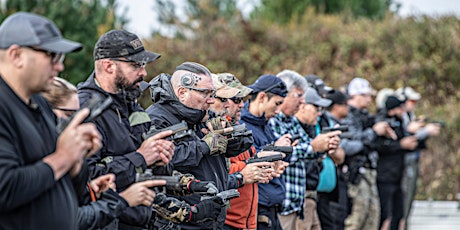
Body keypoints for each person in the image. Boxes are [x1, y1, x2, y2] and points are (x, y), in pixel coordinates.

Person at [78, 29, 196, 229]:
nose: (144, 73)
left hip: (144, 220)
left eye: (143, 65)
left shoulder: (131, 104)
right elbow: (86, 177)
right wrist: (141, 157)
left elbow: (147, 168)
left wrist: (161, 158)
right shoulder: (84, 110)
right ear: (108, 66)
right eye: (135, 65)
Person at [0, 12, 101, 229]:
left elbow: (66, 185)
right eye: (51, 56)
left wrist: (76, 160)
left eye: (60, 58)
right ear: (16, 55)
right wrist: (64, 157)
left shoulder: (39, 103)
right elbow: (5, 188)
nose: (60, 67)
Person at [43, 77, 167, 229]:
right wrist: (122, 200)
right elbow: (69, 219)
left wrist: (90, 190)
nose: (77, 123)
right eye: (70, 116)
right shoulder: (35, 156)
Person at [147, 62, 228, 229]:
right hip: (181, 221)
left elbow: (240, 145)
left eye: (212, 93)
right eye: (206, 93)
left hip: (212, 217)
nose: (212, 100)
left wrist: (230, 136)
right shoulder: (156, 118)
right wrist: (204, 146)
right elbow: (164, 160)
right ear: (182, 92)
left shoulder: (202, 115)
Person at [214, 73, 276, 230]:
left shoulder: (238, 129)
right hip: (227, 223)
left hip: (247, 223)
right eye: (236, 99)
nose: (242, 105)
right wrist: (247, 170)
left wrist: (261, 168)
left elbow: (246, 163)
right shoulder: (213, 131)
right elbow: (217, 174)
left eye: (243, 99)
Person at [341, 77, 395, 230]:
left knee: (372, 219)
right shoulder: (348, 115)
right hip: (356, 172)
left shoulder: (365, 115)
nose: (369, 99)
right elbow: (354, 142)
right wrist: (374, 132)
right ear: (356, 95)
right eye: (366, 95)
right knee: (356, 219)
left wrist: (383, 130)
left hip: (370, 171)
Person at [240, 74, 291, 230]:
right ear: (262, 97)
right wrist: (275, 149)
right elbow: (246, 161)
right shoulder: (242, 127)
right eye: (277, 103)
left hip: (272, 209)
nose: (278, 110)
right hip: (258, 209)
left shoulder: (265, 125)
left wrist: (280, 157)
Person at [291, 87, 342, 230]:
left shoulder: (308, 128)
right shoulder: (291, 128)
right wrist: (314, 149)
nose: (319, 113)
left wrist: (325, 149)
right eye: (316, 108)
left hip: (311, 197)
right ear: (302, 106)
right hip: (301, 198)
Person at [394, 87, 440, 230]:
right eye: (411, 101)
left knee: (408, 202)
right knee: (402, 202)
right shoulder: (398, 117)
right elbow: (404, 138)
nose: (413, 104)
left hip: (412, 161)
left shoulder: (409, 115)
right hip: (401, 166)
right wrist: (424, 131)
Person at [374, 96, 419, 230]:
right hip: (384, 176)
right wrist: (400, 145)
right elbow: (380, 146)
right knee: (384, 215)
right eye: (400, 108)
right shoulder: (382, 122)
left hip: (398, 175)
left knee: (398, 214)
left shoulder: (400, 122)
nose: (403, 110)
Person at [323, 90, 363, 230]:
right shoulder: (327, 122)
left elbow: (340, 153)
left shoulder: (338, 122)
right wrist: (363, 144)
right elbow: (344, 148)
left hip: (337, 180)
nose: (348, 107)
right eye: (345, 104)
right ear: (335, 107)